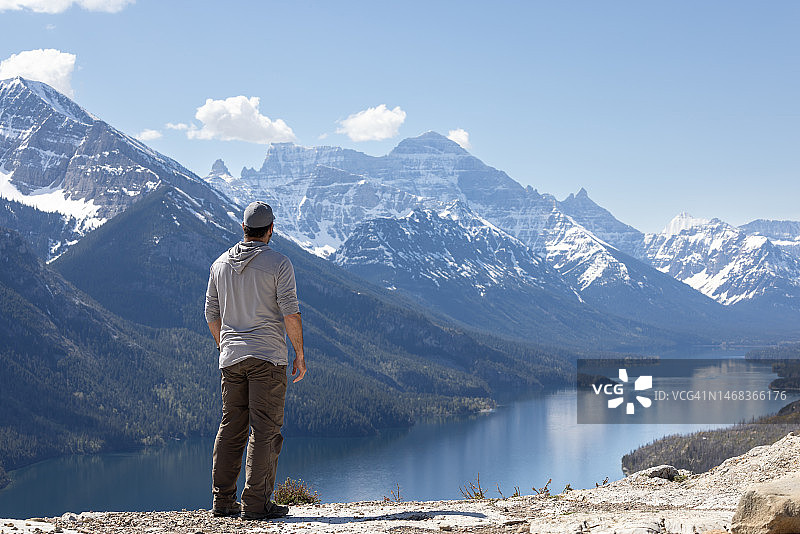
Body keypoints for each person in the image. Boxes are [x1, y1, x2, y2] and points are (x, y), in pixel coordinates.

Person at [204, 201, 306, 520]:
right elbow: (290, 312)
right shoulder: (279, 263)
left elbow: (210, 314)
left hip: (231, 359)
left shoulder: (219, 264)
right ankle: (257, 504)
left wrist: (227, 345)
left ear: (243, 228)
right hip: (267, 358)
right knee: (265, 430)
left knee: (231, 425)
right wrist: (299, 355)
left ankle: (223, 501)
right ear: (271, 230)